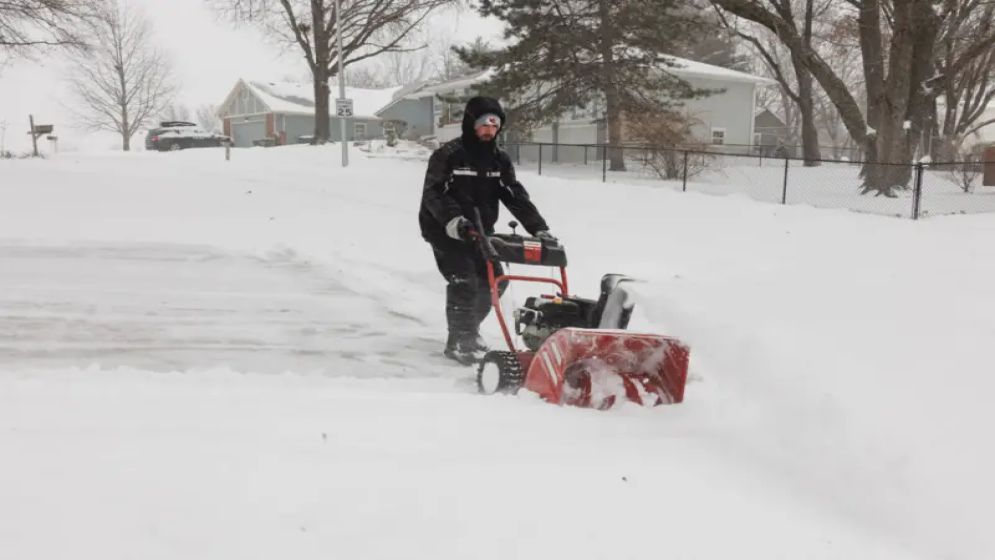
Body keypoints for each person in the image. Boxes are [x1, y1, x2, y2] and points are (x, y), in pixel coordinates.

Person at [419, 96, 555, 365]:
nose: (489, 130)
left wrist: (539, 228)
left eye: (495, 125)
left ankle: (468, 331)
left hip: (479, 230)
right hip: (444, 228)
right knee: (464, 280)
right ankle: (460, 341)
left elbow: (514, 195)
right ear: (471, 124)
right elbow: (434, 193)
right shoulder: (448, 155)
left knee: (494, 282)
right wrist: (454, 219)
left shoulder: (498, 160)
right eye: (484, 124)